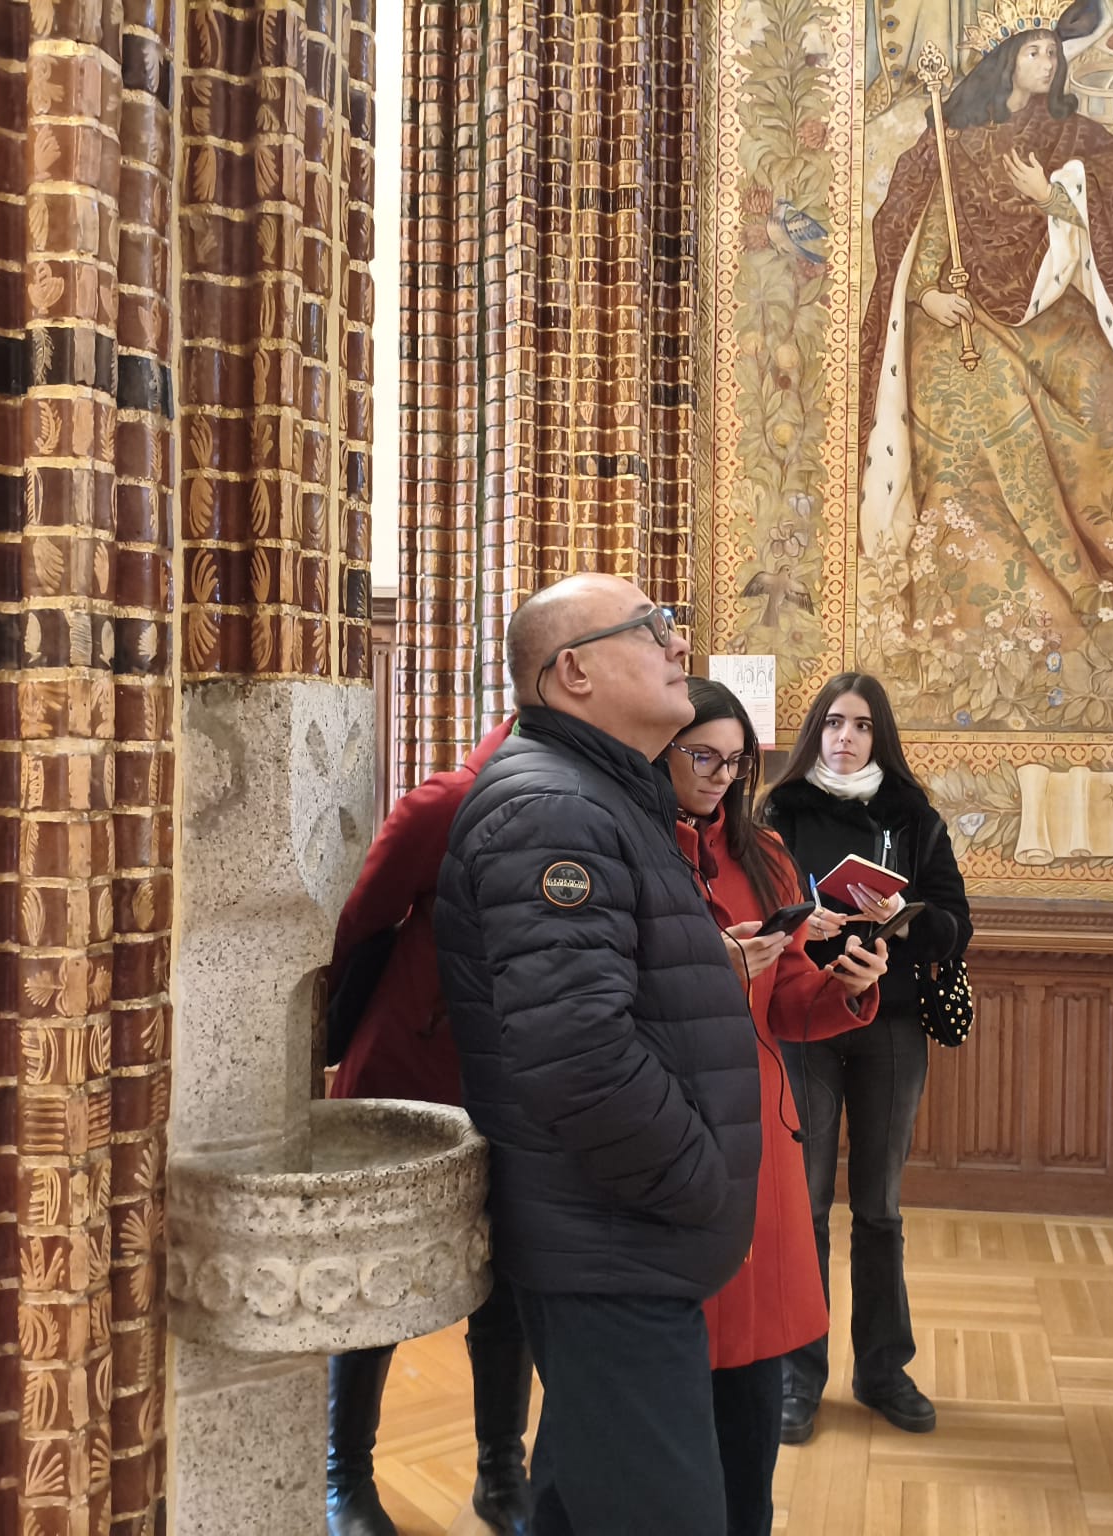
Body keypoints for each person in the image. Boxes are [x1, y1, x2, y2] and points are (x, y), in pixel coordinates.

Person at [435, 573, 762, 1535]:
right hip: (615, 1238)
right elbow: (577, 1052)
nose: (676, 646)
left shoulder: (601, 794)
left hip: (617, 1231)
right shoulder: (554, 809)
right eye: (652, 628)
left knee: (582, 1508)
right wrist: (697, 1179)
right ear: (572, 672)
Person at [858, 0, 1113, 659]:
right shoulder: (947, 148)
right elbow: (902, 239)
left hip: (1046, 310)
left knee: (1102, 402)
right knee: (995, 404)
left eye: (1051, 51)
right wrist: (925, 298)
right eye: (1035, 50)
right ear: (1003, 60)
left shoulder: (1068, 137)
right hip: (960, 324)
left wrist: (1054, 199)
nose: (1049, 62)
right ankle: (1052, 599)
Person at [667, 677, 890, 1535]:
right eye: (702, 756)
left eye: (735, 760)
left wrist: (847, 987)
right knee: (668, 1400)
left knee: (753, 1393)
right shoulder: (631, 846)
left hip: (760, 1137)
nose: (721, 776)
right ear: (661, 749)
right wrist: (711, 970)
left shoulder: (763, 853)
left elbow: (791, 1002)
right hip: (670, 1136)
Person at [322, 718, 533, 1536]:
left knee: (506, 1284)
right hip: (411, 1073)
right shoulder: (443, 805)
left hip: (520, 1087)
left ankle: (500, 1474)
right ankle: (345, 1480)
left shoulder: (595, 803)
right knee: (373, 1281)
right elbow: (362, 924)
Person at [761, 674, 972, 1445]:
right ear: (815, 732)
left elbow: (959, 925)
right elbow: (751, 918)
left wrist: (905, 919)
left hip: (893, 1023)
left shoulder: (913, 819)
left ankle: (883, 1370)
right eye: (831, 724)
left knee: (879, 1206)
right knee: (806, 1204)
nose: (843, 738)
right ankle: (797, 1377)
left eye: (859, 726)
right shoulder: (777, 815)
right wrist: (799, 922)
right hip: (804, 1021)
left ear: (879, 735)